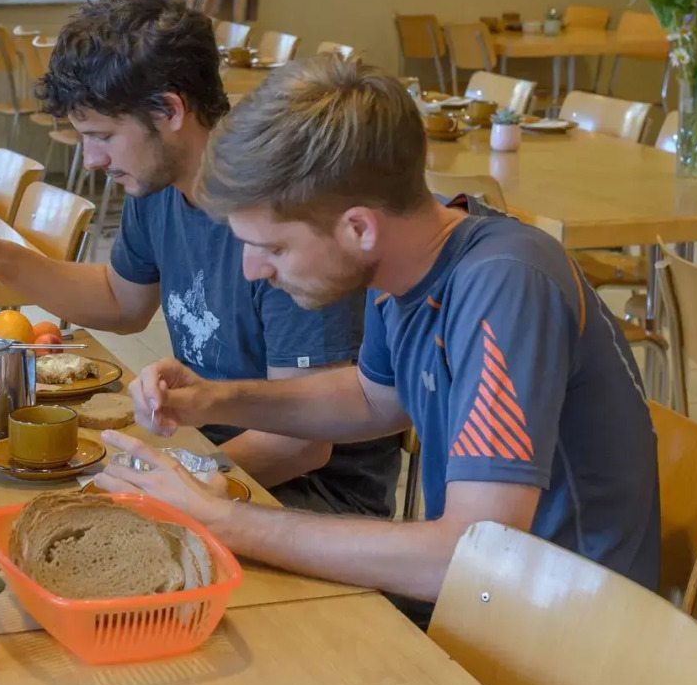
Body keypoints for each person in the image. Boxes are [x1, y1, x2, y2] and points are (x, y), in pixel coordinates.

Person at [94, 54, 660, 615]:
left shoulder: (505, 286)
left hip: (565, 637)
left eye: (274, 247)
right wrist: (219, 398)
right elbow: (373, 398)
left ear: (359, 227)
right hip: (492, 602)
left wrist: (227, 519)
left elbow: (469, 556)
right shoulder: (408, 259)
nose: (252, 269)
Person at [0, 0, 400, 517]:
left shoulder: (282, 218)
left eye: (102, 135)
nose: (92, 160)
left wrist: (151, 489)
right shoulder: (157, 183)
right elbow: (122, 303)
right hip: (205, 453)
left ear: (170, 112)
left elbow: (298, 445)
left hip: (308, 500)